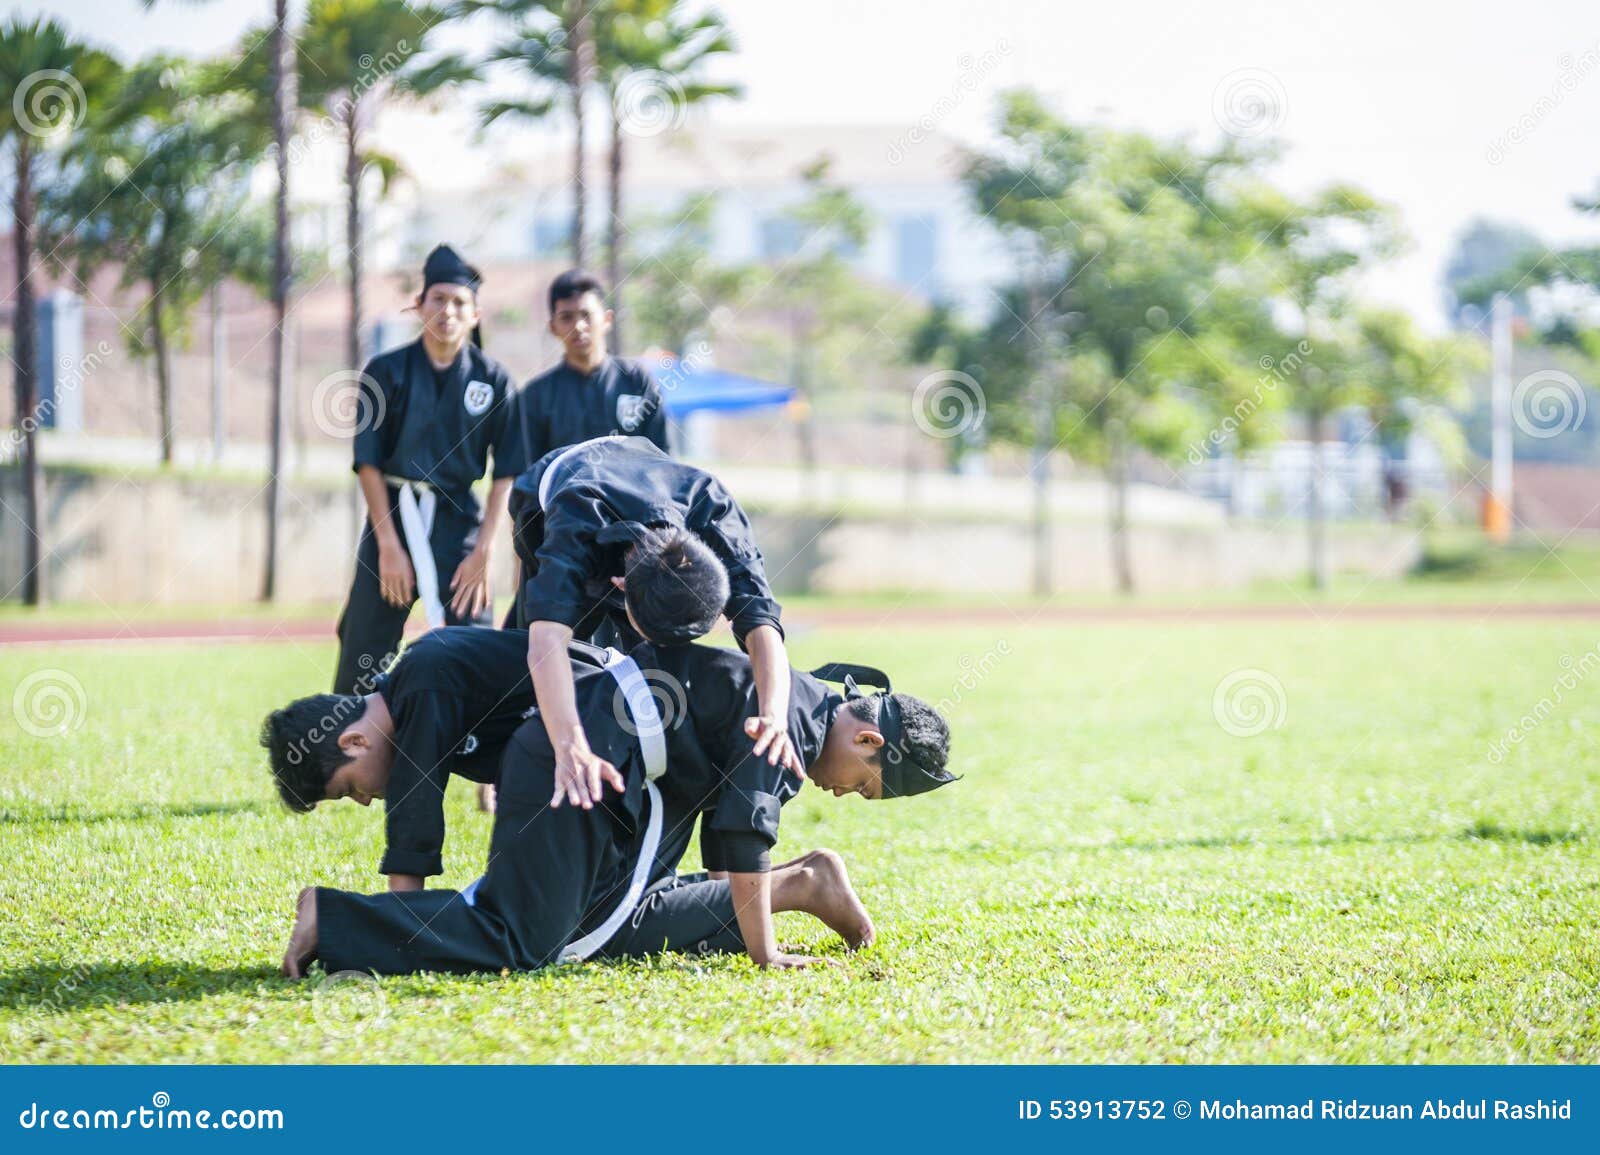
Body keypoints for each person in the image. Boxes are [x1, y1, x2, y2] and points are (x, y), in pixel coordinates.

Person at [279, 639, 956, 977]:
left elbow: (732, 841)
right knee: (536, 937)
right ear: (866, 740)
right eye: (863, 785)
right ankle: (335, 917)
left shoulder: (795, 705)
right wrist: (764, 954)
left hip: (612, 761)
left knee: (586, 926)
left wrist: (734, 911)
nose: (842, 793)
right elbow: (745, 837)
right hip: (585, 751)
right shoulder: (787, 721)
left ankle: (801, 884)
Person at [511, 435, 802, 810]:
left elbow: (762, 622)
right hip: (549, 486)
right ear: (619, 586)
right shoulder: (576, 521)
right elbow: (545, 642)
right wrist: (571, 745)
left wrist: (774, 716)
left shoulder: (715, 511)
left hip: (650, 484)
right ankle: (516, 768)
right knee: (554, 655)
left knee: (643, 666)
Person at [332, 244, 520, 697]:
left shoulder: (494, 379)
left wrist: (484, 551)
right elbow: (369, 463)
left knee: (475, 639)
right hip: (392, 515)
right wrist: (388, 545)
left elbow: (506, 471)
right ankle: (348, 752)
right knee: (364, 642)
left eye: (459, 302)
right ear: (418, 306)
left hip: (460, 519)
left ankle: (478, 753)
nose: (448, 311)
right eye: (438, 299)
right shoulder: (386, 370)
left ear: (475, 314)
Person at [262, 628, 562, 891]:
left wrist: (402, 919)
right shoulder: (414, 693)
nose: (364, 800)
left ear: (355, 742)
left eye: (348, 789)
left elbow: (415, 797)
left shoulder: (424, 677)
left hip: (602, 709)